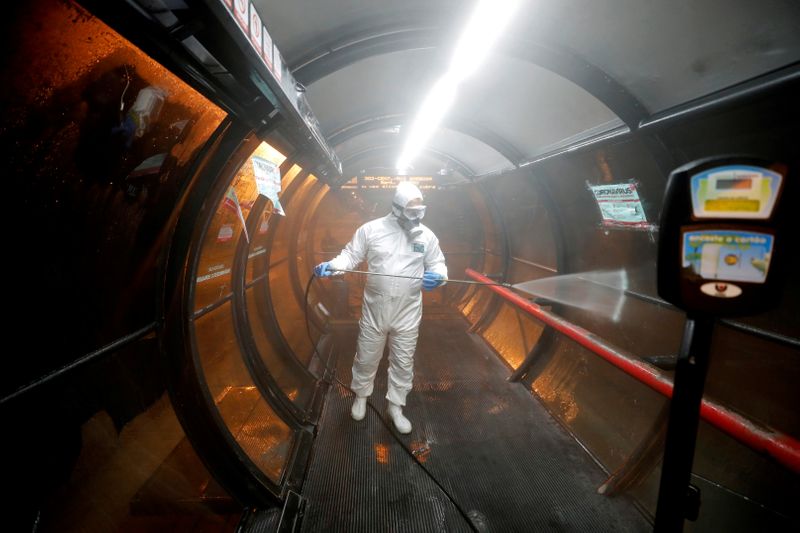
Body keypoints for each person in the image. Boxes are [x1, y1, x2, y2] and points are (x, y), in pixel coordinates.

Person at [314, 181, 447, 434]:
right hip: (375, 309)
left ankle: (396, 406)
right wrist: (331, 266)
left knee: (403, 360)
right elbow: (350, 256)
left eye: (420, 212)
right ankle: (361, 396)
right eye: (411, 212)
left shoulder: (427, 236)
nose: (416, 218)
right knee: (366, 356)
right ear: (396, 208)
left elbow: (438, 264)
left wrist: (438, 276)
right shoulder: (370, 230)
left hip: (407, 311)